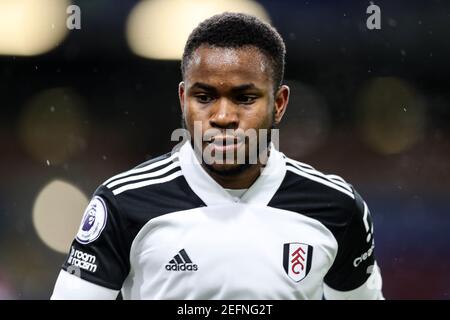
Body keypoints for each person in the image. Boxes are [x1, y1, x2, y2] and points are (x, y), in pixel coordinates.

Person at [51, 12, 383, 300]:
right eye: (205, 96)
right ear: (183, 99)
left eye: (245, 98)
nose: (223, 116)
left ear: (279, 104)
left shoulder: (337, 208)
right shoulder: (123, 203)